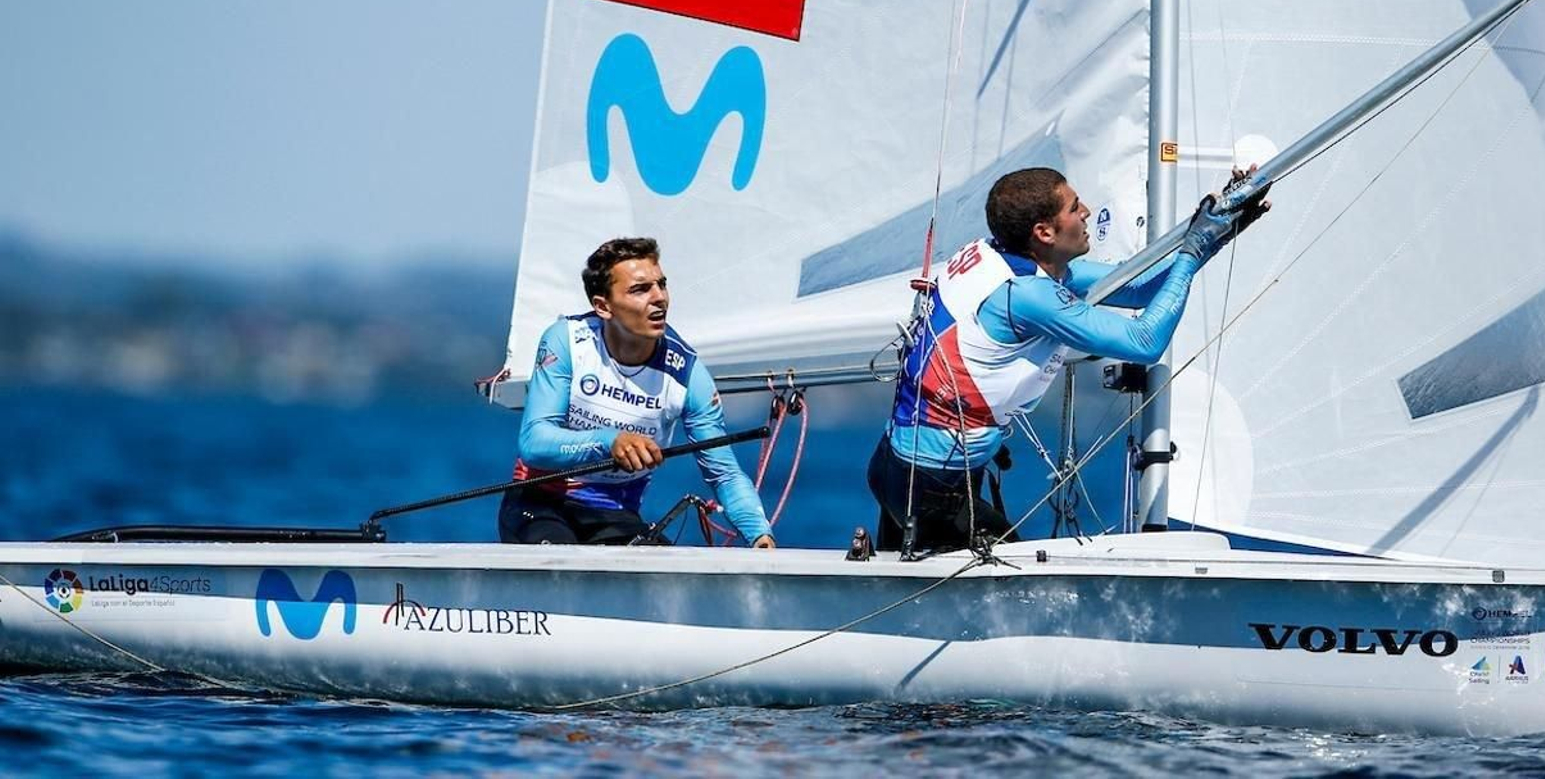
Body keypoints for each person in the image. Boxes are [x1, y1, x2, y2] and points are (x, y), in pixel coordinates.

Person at [870, 166, 1266, 553]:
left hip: (904, 466)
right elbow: (1145, 341)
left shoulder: (1003, 258)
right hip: (929, 486)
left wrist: (1217, 235)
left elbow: (1140, 289)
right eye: (1075, 207)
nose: (1088, 212)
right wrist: (1193, 250)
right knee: (1014, 597)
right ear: (1044, 232)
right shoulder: (1025, 296)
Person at [499, 237, 776, 548]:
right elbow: (534, 442)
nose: (659, 298)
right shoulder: (567, 341)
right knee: (561, 559)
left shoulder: (687, 374)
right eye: (640, 289)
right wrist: (610, 441)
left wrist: (759, 534)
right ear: (603, 306)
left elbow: (723, 473)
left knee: (668, 576)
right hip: (540, 504)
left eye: (662, 284)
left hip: (614, 514)